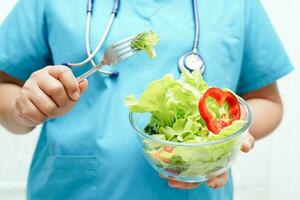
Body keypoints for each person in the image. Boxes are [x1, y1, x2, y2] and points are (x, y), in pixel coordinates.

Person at [0, 0, 293, 199]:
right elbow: (5, 86)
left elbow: (267, 101)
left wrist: (226, 143)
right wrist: (23, 110)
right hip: (73, 191)